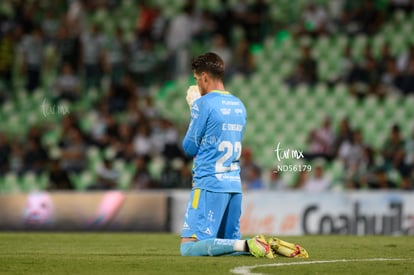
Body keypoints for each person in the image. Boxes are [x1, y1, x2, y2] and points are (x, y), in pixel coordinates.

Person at [180, 52, 308, 258]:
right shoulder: (239, 105)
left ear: (204, 77)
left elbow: (189, 147)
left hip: (209, 185)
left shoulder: (203, 104)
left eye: (196, 79)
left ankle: (250, 244)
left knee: (188, 248)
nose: (197, 84)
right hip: (233, 187)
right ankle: (268, 246)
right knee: (229, 246)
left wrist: (194, 108)